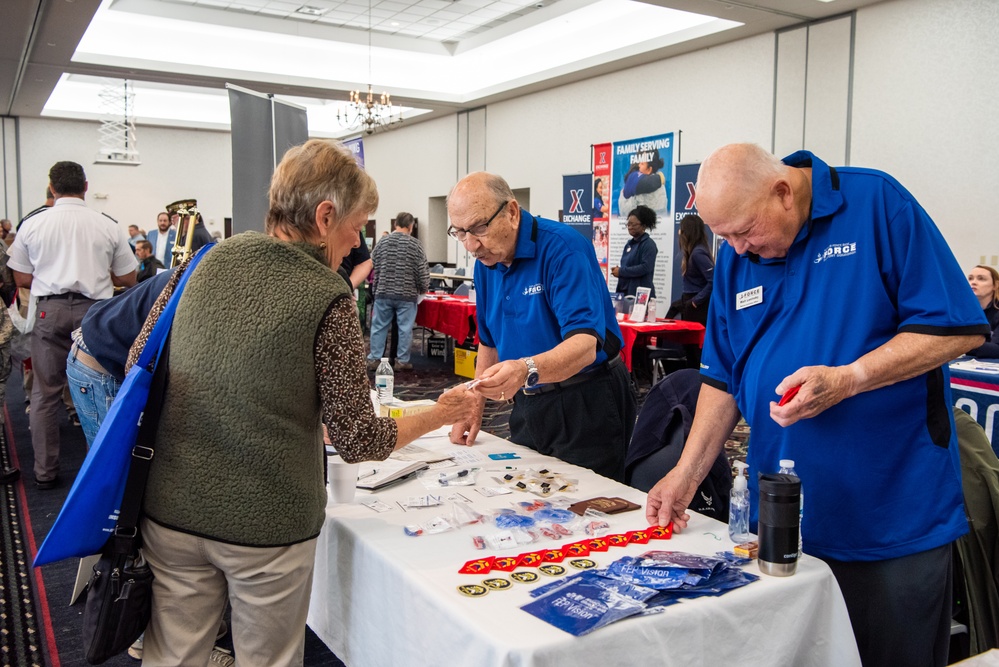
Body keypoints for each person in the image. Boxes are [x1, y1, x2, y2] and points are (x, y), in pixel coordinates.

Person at [133, 139, 476, 667]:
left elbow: (141, 362)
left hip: (170, 510)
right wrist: (443, 412)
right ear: (324, 216)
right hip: (265, 526)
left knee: (173, 657)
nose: (358, 241)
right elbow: (359, 438)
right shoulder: (326, 293)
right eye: (357, 225)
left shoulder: (201, 261)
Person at [645, 143, 989, 667]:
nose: (737, 250)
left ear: (783, 192)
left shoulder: (876, 204)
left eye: (745, 231)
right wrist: (686, 474)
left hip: (887, 515)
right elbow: (721, 376)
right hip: (781, 521)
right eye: (726, 238)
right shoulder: (743, 256)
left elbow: (955, 329)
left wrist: (852, 378)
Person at [447, 172, 636, 482]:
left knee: (588, 506)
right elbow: (489, 342)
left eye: (479, 228)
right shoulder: (486, 264)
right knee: (527, 498)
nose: (471, 245)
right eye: (460, 232)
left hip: (586, 400)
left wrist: (525, 369)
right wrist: (475, 403)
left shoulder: (563, 249)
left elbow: (585, 346)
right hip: (529, 399)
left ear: (511, 212)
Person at [6, 161, 137, 489]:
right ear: (87, 186)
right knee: (106, 387)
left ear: (52, 187)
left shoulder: (33, 224)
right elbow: (129, 277)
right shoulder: (107, 224)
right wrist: (94, 271)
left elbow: (20, 276)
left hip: (49, 312)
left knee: (45, 393)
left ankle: (45, 473)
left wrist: (53, 274)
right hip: (95, 313)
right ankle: (106, 471)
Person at [366, 212, 429, 372]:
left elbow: (372, 265)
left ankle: (374, 359)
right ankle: (402, 361)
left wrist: (375, 287)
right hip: (407, 294)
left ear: (395, 225)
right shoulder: (415, 245)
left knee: (379, 327)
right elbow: (422, 272)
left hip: (383, 292)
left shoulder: (382, 242)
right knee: (405, 329)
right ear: (410, 226)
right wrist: (423, 289)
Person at [611, 204, 658, 298]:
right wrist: (619, 270)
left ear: (644, 226)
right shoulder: (629, 244)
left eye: (634, 224)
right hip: (625, 292)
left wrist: (621, 271)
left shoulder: (649, 244)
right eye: (628, 224)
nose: (630, 227)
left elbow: (645, 267)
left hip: (640, 295)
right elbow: (629, 265)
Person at [619, 148, 667, 214]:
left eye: (642, 163)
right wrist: (660, 177)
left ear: (649, 169)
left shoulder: (642, 184)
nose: (638, 165)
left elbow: (625, 211)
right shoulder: (660, 186)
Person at [967, 265, 999, 358]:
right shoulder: (965, 311)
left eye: (981, 279)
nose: (973, 282)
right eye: (970, 278)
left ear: (995, 285)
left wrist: (963, 344)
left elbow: (996, 349)